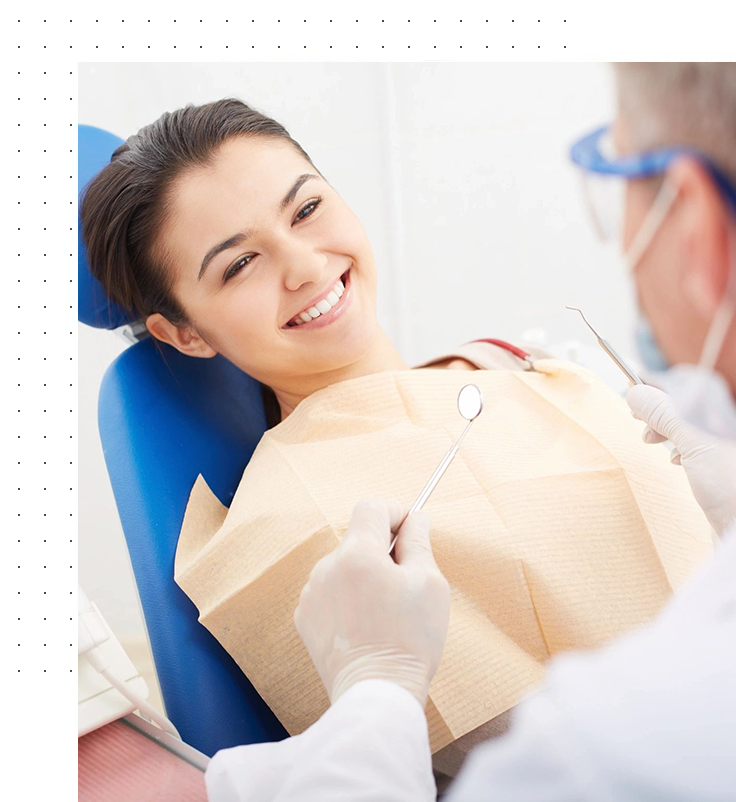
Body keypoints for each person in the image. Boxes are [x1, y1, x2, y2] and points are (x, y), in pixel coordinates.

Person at [81, 95, 712, 779]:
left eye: (307, 209)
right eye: (239, 265)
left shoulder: (506, 360)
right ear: (185, 334)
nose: (305, 266)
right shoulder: (299, 534)